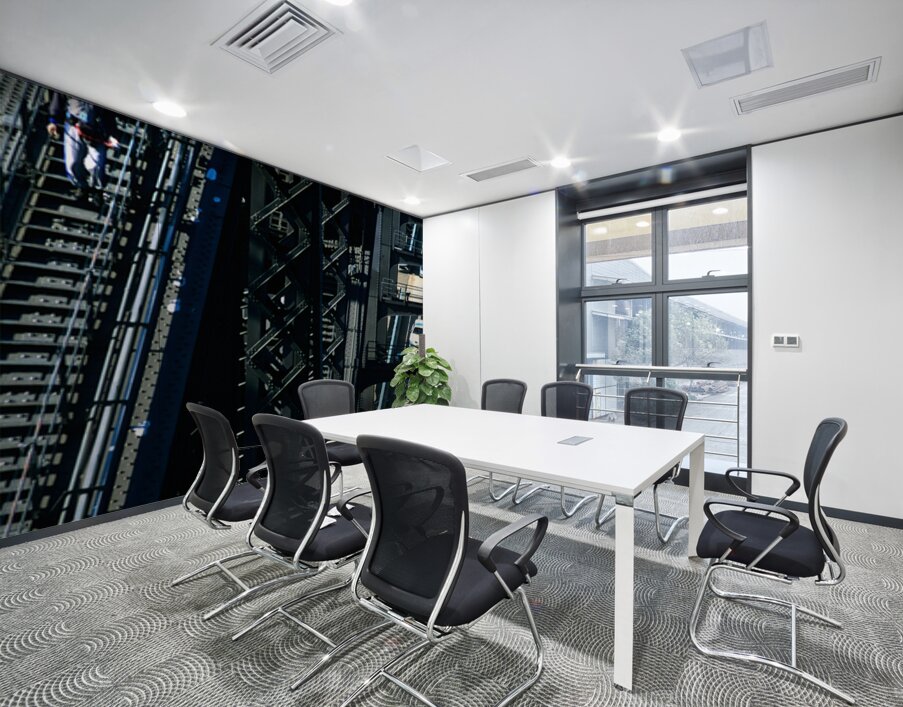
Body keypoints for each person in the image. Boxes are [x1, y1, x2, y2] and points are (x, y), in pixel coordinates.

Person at [46, 92, 118, 206]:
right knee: (72, 163)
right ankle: (81, 187)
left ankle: (97, 190)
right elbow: (58, 99)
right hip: (74, 126)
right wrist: (52, 121)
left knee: (96, 164)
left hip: (96, 130)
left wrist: (112, 135)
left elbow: (109, 114)